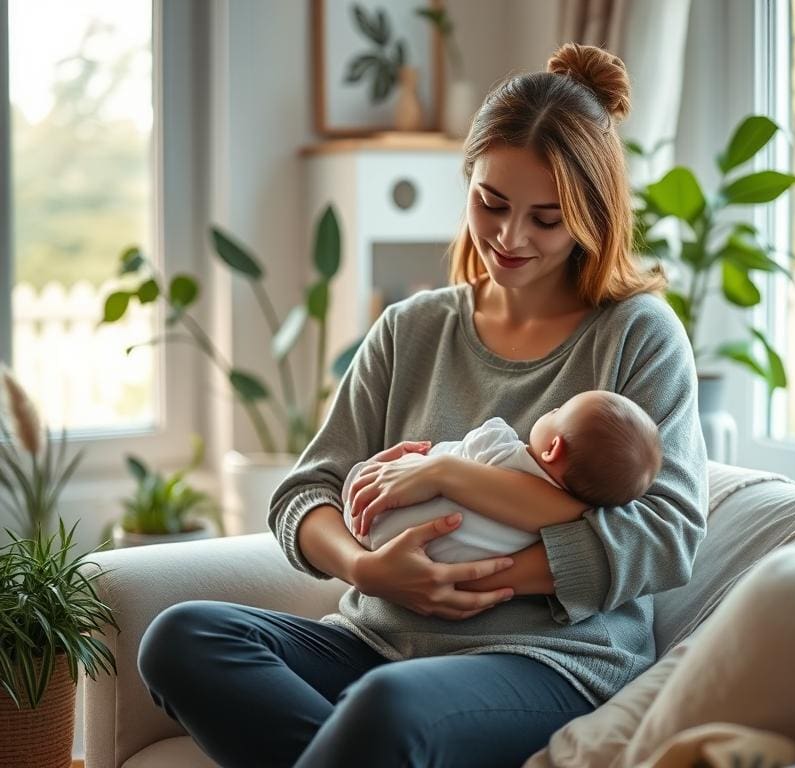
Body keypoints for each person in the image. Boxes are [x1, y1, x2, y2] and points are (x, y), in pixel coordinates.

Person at [137, 42, 708, 768]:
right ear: (467, 178)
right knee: (181, 638)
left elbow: (667, 533)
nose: (509, 237)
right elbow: (304, 494)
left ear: (592, 217)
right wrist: (368, 570)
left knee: (388, 708)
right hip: (375, 639)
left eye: (546, 218)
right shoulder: (413, 329)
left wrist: (462, 548)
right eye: (491, 203)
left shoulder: (636, 334)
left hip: (548, 662)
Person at [344, 389, 663, 564]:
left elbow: (472, 442)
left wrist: (427, 464)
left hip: (374, 519)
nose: (550, 409)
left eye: (558, 411)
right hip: (418, 557)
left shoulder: (505, 451)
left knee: (374, 474)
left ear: (552, 449)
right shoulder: (547, 527)